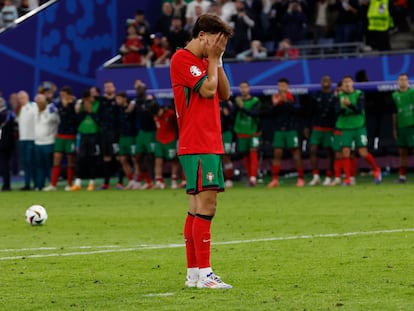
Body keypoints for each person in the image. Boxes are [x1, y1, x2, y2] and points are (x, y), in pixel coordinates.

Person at [170, 13, 233, 289]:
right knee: (207, 206)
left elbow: (224, 93)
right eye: (217, 41)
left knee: (197, 207)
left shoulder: (206, 62)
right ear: (202, 36)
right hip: (197, 142)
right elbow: (208, 90)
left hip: (206, 142)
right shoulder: (182, 59)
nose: (219, 47)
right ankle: (206, 274)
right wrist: (212, 60)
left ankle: (194, 273)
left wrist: (216, 60)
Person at [336, 75, 382, 185]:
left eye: (349, 82)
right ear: (342, 85)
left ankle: (376, 169)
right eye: (345, 82)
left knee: (363, 153)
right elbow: (336, 112)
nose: (347, 84)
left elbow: (359, 109)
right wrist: (342, 108)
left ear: (352, 83)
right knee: (345, 152)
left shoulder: (359, 94)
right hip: (345, 127)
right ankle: (348, 178)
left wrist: (350, 105)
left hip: (358, 127)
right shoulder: (338, 96)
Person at [266, 78, 305, 188]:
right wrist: (276, 104)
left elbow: (297, 111)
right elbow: (270, 113)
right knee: (277, 154)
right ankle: (275, 179)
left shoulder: (293, 97)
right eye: (280, 85)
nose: (281, 88)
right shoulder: (275, 97)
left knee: (296, 154)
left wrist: (286, 102)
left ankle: (301, 179)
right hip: (279, 130)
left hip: (291, 130)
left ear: (288, 86)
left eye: (283, 85)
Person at [43, 86, 78, 191]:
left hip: (71, 135)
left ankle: (69, 183)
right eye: (61, 95)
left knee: (70, 160)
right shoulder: (58, 104)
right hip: (60, 135)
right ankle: (53, 184)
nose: (62, 97)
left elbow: (74, 118)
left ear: (69, 95)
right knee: (56, 159)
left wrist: (69, 105)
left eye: (64, 95)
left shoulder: (74, 105)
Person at [306, 76, 337, 186]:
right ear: (320, 82)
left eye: (327, 80)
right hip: (317, 127)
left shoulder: (335, 96)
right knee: (313, 149)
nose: (325, 82)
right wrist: (307, 127)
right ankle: (316, 176)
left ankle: (328, 176)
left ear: (331, 83)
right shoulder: (315, 96)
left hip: (330, 128)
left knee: (329, 151)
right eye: (323, 80)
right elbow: (309, 112)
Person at [70, 90, 101, 191]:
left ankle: (91, 182)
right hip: (82, 135)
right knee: (80, 158)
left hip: (94, 135)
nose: (92, 99)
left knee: (92, 158)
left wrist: (91, 112)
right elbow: (76, 119)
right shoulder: (80, 105)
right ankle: (78, 182)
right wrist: (80, 111)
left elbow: (100, 120)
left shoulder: (98, 104)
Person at [233, 81, 261, 186]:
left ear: (249, 88)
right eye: (241, 87)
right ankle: (250, 177)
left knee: (253, 153)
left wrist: (242, 107)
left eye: (245, 87)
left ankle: (253, 177)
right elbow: (232, 115)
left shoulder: (255, 101)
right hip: (241, 132)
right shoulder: (237, 101)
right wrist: (236, 106)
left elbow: (254, 114)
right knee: (245, 155)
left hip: (253, 132)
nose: (243, 89)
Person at [149, 102, 180, 189]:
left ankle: (174, 181)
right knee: (158, 160)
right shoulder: (154, 115)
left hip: (171, 140)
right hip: (159, 140)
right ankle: (158, 181)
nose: (157, 115)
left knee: (174, 160)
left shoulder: (170, 114)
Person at [132, 80, 157, 189]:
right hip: (141, 132)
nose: (138, 90)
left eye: (140, 87)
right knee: (138, 156)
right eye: (137, 88)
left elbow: (156, 112)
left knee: (151, 157)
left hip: (151, 131)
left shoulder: (151, 100)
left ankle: (156, 180)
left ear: (145, 89)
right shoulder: (136, 102)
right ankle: (147, 181)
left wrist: (151, 102)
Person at [33, 93, 59, 191]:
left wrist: (53, 113)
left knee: (49, 165)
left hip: (49, 142)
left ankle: (52, 184)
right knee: (39, 166)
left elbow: (56, 121)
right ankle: (39, 185)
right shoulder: (35, 110)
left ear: (45, 101)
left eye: (40, 102)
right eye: (37, 102)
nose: (38, 104)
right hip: (37, 142)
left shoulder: (51, 110)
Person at [391, 73, 414, 183]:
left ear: (408, 81)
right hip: (401, 127)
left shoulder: (413, 92)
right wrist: (394, 128)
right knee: (402, 152)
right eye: (401, 79)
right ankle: (402, 176)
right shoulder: (395, 96)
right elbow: (395, 113)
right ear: (398, 82)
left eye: (405, 79)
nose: (403, 81)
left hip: (412, 126)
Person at [114, 91, 138, 190]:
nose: (117, 101)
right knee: (123, 159)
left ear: (124, 98)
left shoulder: (132, 107)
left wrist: (132, 104)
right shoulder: (117, 110)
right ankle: (131, 180)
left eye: (119, 98)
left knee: (134, 159)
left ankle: (137, 181)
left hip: (132, 136)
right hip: (122, 137)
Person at [98, 81, 119, 190]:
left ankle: (120, 182)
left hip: (116, 133)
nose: (108, 88)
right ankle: (106, 183)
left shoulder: (118, 100)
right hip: (105, 133)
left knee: (120, 157)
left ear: (114, 88)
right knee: (106, 157)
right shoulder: (101, 101)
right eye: (106, 87)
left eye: (110, 86)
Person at [16, 90, 37, 190]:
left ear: (27, 97)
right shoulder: (21, 109)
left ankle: (36, 183)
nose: (21, 100)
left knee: (31, 162)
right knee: (25, 162)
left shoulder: (33, 106)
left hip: (31, 138)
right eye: (19, 99)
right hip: (22, 139)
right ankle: (27, 184)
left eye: (22, 98)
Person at [0, 98, 16, 191]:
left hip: (4, 145)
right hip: (7, 144)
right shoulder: (9, 113)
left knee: (4, 165)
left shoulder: (5, 114)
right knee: (5, 165)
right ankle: (6, 184)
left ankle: (6, 185)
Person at [221, 99, 235, 188]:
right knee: (215, 157)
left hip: (226, 133)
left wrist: (228, 114)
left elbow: (233, 118)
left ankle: (229, 179)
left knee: (227, 156)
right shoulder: (208, 101)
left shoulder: (226, 103)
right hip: (213, 133)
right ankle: (217, 179)